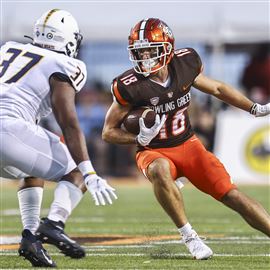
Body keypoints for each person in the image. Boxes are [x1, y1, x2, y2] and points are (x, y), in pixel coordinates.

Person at [102, 18, 270, 260]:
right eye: (139, 52)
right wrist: (138, 137)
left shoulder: (185, 63)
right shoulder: (129, 85)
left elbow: (218, 89)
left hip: (188, 144)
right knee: (159, 168)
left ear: (168, 49)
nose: (144, 57)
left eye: (150, 50)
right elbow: (108, 132)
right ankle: (190, 237)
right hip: (153, 150)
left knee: (232, 195)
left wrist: (254, 108)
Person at [0, 9, 117, 267]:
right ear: (68, 39)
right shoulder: (65, 64)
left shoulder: (8, 49)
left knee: (32, 166)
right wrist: (89, 172)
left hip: (11, 132)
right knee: (76, 168)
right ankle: (54, 223)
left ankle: (30, 237)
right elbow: (68, 121)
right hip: (8, 130)